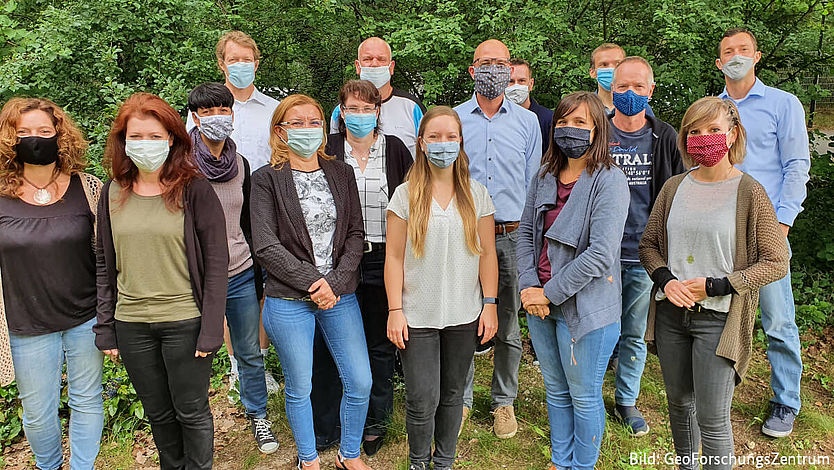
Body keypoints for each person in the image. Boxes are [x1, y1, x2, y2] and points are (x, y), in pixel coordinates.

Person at [639, 96, 790, 469]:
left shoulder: (749, 192)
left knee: (712, 417)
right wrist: (666, 280)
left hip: (719, 320)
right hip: (671, 316)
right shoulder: (674, 187)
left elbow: (777, 261)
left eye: (713, 129)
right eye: (694, 131)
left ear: (732, 134)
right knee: (679, 405)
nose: (703, 137)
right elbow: (649, 245)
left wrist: (717, 286)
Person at [94, 92, 229, 470]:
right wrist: (106, 327)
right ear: (123, 141)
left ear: (171, 138)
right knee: (158, 413)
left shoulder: (194, 189)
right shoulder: (112, 192)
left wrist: (211, 329)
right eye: (136, 136)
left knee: (191, 411)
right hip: (132, 324)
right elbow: (104, 263)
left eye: (155, 136)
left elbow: (217, 263)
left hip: (185, 321)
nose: (145, 144)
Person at [251, 94, 373, 470]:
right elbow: (265, 245)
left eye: (313, 121)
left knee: (360, 381)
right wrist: (313, 282)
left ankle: (348, 455)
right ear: (280, 131)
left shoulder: (341, 173)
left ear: (323, 128)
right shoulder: (266, 179)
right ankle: (308, 459)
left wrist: (334, 283)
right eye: (297, 122)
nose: (307, 128)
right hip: (289, 299)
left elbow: (355, 234)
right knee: (300, 385)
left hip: (339, 294)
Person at [517, 91, 629, 470]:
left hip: (585, 308)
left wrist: (547, 293)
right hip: (539, 304)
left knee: (583, 395)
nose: (569, 128)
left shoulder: (609, 181)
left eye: (580, 122)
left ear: (597, 129)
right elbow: (526, 235)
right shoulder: (544, 175)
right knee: (555, 390)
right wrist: (528, 286)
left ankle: (582, 465)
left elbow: (600, 254)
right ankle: (560, 460)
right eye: (563, 121)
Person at [385, 105, 499, 470]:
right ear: (421, 143)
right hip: (416, 314)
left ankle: (444, 461)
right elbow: (394, 258)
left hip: (464, 313)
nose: (442, 143)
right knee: (422, 398)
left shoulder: (477, 195)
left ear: (461, 142)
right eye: (434, 136)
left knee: (452, 393)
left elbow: (487, 254)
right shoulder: (405, 196)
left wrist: (490, 303)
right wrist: (395, 310)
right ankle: (419, 462)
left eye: (450, 136)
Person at [0, 98, 104, 470]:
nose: (35, 139)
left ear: (60, 135)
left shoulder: (88, 188)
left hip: (85, 319)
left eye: (44, 131)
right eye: (24, 132)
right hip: (26, 325)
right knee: (38, 413)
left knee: (87, 400)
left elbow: (106, 257)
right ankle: (49, 465)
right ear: (9, 138)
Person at [716, 27, 810, 438]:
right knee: (720, 317)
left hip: (769, 229)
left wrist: (783, 223)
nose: (736, 56)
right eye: (728, 52)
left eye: (743, 50)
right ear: (719, 62)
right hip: (721, 228)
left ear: (756, 57)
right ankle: (718, 392)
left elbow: (797, 165)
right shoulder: (713, 109)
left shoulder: (782, 104)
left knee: (778, 321)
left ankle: (786, 400)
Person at [311, 80, 413, 455]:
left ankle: (374, 422)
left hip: (385, 258)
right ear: (341, 112)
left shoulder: (396, 149)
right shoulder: (327, 150)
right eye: (352, 108)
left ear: (377, 111)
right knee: (330, 344)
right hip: (338, 261)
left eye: (367, 108)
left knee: (379, 344)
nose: (359, 114)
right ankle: (328, 424)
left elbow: (411, 199)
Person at [453, 38, 542, 439]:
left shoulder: (527, 123)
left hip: (511, 234)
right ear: (473, 70)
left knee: (507, 322)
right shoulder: (455, 119)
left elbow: (534, 184)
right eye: (485, 62)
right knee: (461, 319)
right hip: (463, 233)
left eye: (500, 62)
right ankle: (460, 399)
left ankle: (504, 401)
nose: (493, 69)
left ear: (510, 69)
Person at [186, 30, 282, 395]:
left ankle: (258, 358)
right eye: (233, 59)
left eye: (246, 59)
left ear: (256, 63)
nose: (240, 65)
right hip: (223, 209)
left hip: (267, 206)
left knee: (262, 287)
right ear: (221, 63)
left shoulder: (272, 108)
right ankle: (235, 366)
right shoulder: (205, 108)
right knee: (223, 285)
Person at [607, 56, 685, 437]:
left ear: (650, 90)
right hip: (600, 254)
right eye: (623, 86)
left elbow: (677, 192)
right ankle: (587, 394)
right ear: (612, 89)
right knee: (597, 329)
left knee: (634, 332)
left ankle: (626, 400)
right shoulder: (597, 133)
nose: (630, 93)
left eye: (638, 86)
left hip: (642, 253)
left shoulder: (665, 136)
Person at [329, 37, 426, 156]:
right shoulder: (342, 110)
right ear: (358, 66)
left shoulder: (412, 107)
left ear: (391, 67)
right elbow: (333, 152)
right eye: (367, 59)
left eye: (381, 59)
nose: (374, 64)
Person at [589, 43, 654, 117]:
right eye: (604, 65)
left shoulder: (641, 108)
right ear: (592, 72)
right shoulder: (585, 107)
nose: (612, 69)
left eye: (618, 64)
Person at [506, 58, 554, 153]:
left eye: (522, 81)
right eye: (511, 81)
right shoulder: (496, 119)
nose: (516, 86)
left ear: (531, 84)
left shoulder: (549, 120)